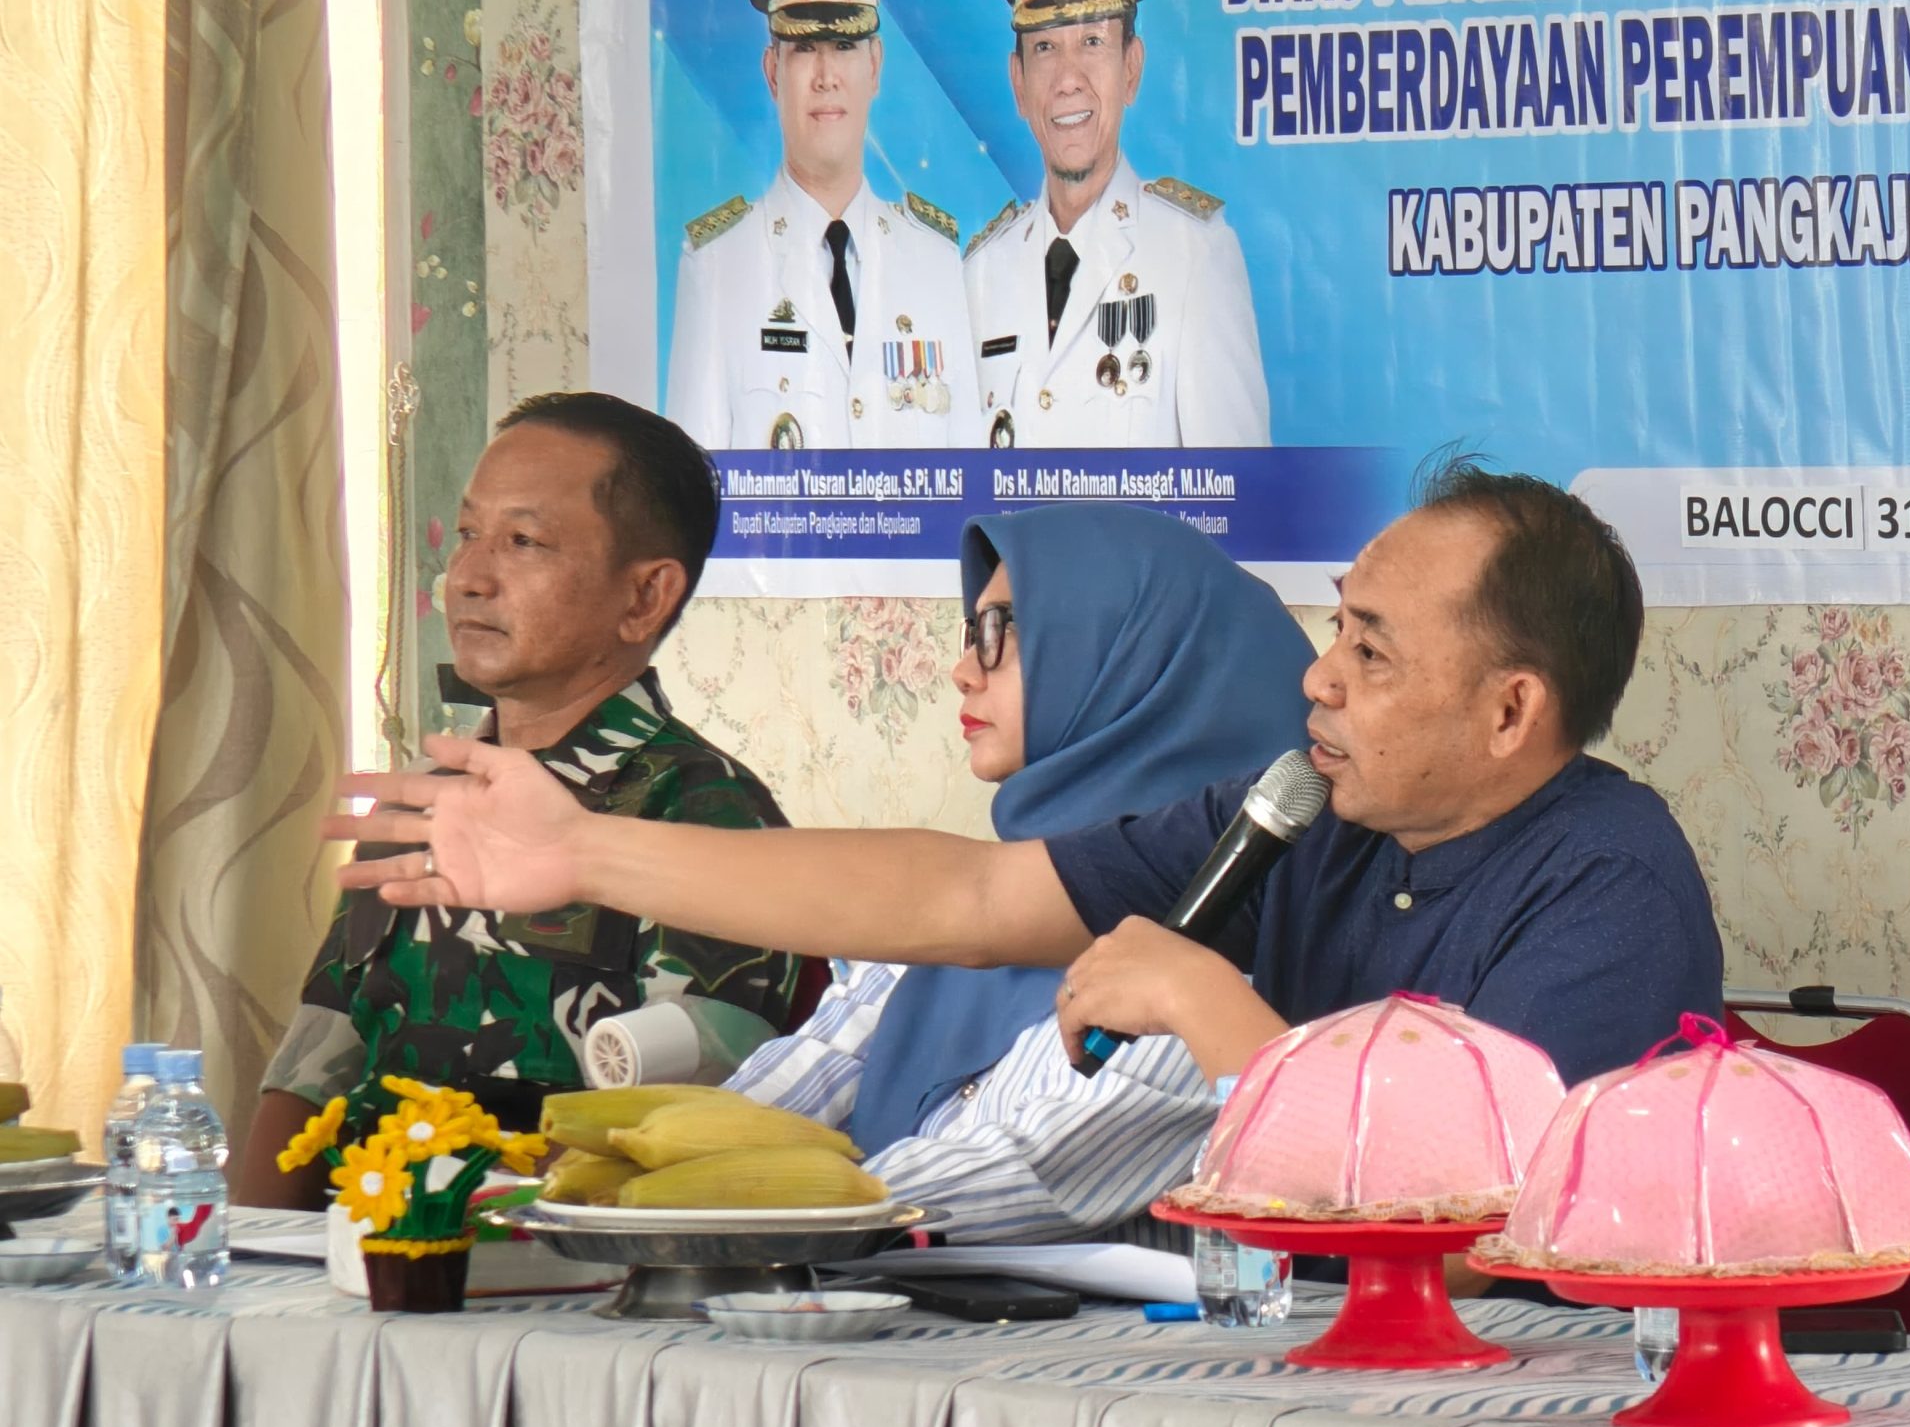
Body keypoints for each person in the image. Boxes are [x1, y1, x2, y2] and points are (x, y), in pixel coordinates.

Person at [326, 460, 1722, 1113]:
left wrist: (1214, 1010)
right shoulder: (1304, 808)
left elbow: (1486, 1205)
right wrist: (581, 850)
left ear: (1511, 710)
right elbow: (969, 895)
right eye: (1333, 628)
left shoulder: (1605, 882)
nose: (1319, 677)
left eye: (1370, 649)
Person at [237, 394, 802, 1206]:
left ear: (644, 597)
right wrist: (248, 1258)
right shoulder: (426, 802)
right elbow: (311, 1076)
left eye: (523, 541)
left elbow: (673, 1129)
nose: (467, 577)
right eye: (468, 533)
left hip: (554, 1265)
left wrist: (447, 1230)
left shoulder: (707, 814)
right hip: (362, 1255)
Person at [723, 505, 1314, 1241]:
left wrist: (709, 1201)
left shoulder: (1219, 946)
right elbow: (793, 1083)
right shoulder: (963, 913)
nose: (962, 670)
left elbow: (1015, 1173)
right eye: (971, 633)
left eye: (999, 631)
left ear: (1133, 660)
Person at [963, 0, 1270, 449]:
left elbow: (1240, 496)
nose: (1068, 79)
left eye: (1092, 43)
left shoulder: (1194, 256)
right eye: (1045, 47)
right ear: (1018, 83)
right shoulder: (979, 274)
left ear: (1131, 68)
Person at [664, 0, 976, 451]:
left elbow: (969, 485)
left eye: (846, 47)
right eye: (805, 49)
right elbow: (691, 492)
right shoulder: (718, 265)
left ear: (875, 67)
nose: (827, 76)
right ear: (772, 72)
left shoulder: (936, 261)